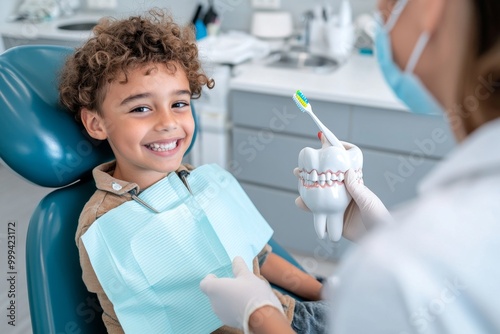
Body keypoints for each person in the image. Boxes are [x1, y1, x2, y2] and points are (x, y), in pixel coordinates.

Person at [200, 0, 500, 333]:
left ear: (430, 7)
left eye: (387, 5)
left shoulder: (397, 275)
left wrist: (259, 316)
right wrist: (386, 235)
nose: (379, 17)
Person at [59, 9, 328, 334]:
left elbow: (261, 256)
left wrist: (325, 293)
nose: (168, 122)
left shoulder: (203, 181)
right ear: (96, 123)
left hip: (289, 317)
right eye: (141, 108)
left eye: (179, 103)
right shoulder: (104, 227)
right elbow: (135, 321)